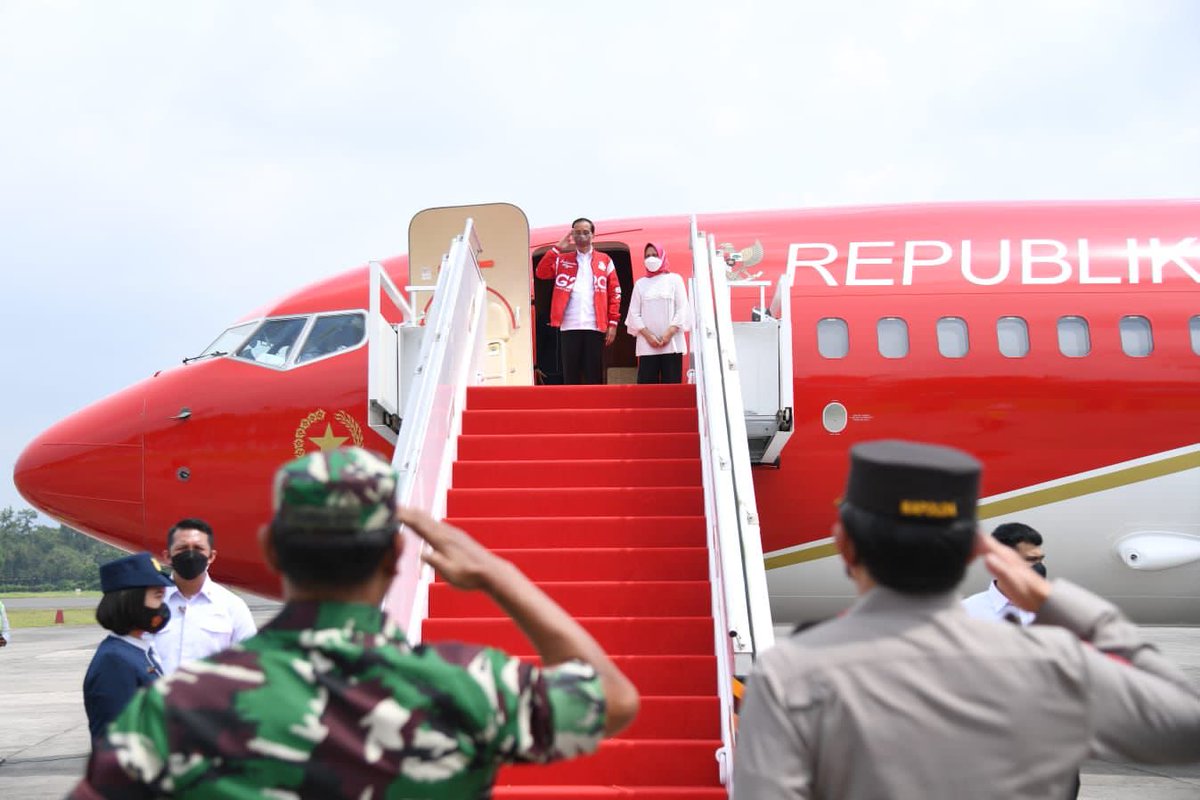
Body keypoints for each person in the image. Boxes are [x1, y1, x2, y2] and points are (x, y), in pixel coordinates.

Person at [72, 446, 639, 798]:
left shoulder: (176, 707)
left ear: (271, 550)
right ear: (396, 560)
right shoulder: (469, 687)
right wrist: (496, 573)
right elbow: (613, 699)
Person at [733, 439, 1200, 800]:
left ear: (845, 547)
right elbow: (1185, 727)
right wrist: (1061, 604)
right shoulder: (1050, 662)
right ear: (974, 553)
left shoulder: (791, 675)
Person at [82, 553, 174, 741]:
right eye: (157, 597)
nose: (162, 608)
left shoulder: (138, 651)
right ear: (131, 600)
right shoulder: (114, 661)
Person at [149, 517, 256, 674]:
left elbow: (250, 663)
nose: (190, 554)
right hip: (156, 697)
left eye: (198, 548)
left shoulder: (232, 606)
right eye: (182, 548)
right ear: (167, 556)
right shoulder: (148, 603)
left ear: (211, 556)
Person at [535, 217, 622, 384]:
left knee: (593, 374)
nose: (581, 236)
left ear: (593, 235)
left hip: (595, 325)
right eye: (577, 232)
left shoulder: (605, 260)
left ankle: (595, 408)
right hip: (569, 326)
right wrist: (557, 248)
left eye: (585, 232)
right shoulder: (562, 259)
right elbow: (541, 272)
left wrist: (613, 323)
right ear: (572, 235)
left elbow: (615, 292)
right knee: (571, 375)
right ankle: (573, 409)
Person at [625, 242, 690, 384]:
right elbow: (634, 313)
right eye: (647, 256)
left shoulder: (675, 279)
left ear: (662, 256)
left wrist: (668, 334)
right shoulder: (640, 284)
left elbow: (682, 308)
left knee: (671, 387)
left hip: (672, 343)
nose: (651, 258)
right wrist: (649, 337)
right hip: (647, 345)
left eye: (654, 255)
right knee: (647, 388)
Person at [963, 522, 1046, 625]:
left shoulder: (1052, 607)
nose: (1040, 566)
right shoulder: (967, 612)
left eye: (1041, 559)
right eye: (1031, 559)